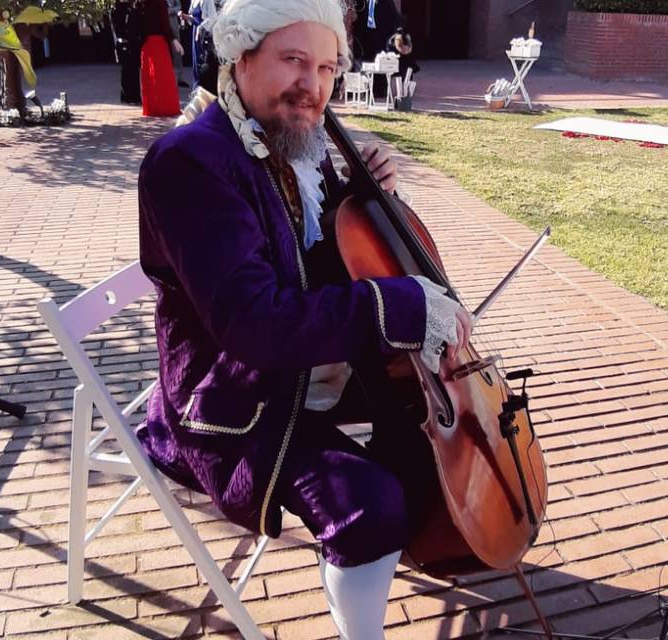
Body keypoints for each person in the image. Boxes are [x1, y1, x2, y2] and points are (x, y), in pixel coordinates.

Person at [136, 0, 472, 637]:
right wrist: (401, 306)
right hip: (233, 399)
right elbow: (254, 321)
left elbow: (306, 259)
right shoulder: (191, 162)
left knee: (425, 462)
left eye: (325, 67)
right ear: (241, 56)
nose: (313, 87)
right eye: (293, 60)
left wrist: (362, 199)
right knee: (372, 504)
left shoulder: (290, 142)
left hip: (309, 374)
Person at [139, 0, 184, 116]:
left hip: (146, 43)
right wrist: (174, 40)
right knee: (163, 76)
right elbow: (165, 24)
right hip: (158, 42)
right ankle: (165, 107)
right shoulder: (160, 2)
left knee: (150, 77)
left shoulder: (141, 3)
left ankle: (153, 107)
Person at [111, 0, 143, 104]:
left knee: (132, 69)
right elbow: (117, 26)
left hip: (133, 41)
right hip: (124, 41)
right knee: (127, 69)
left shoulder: (132, 8)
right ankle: (128, 95)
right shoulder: (118, 9)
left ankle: (133, 95)